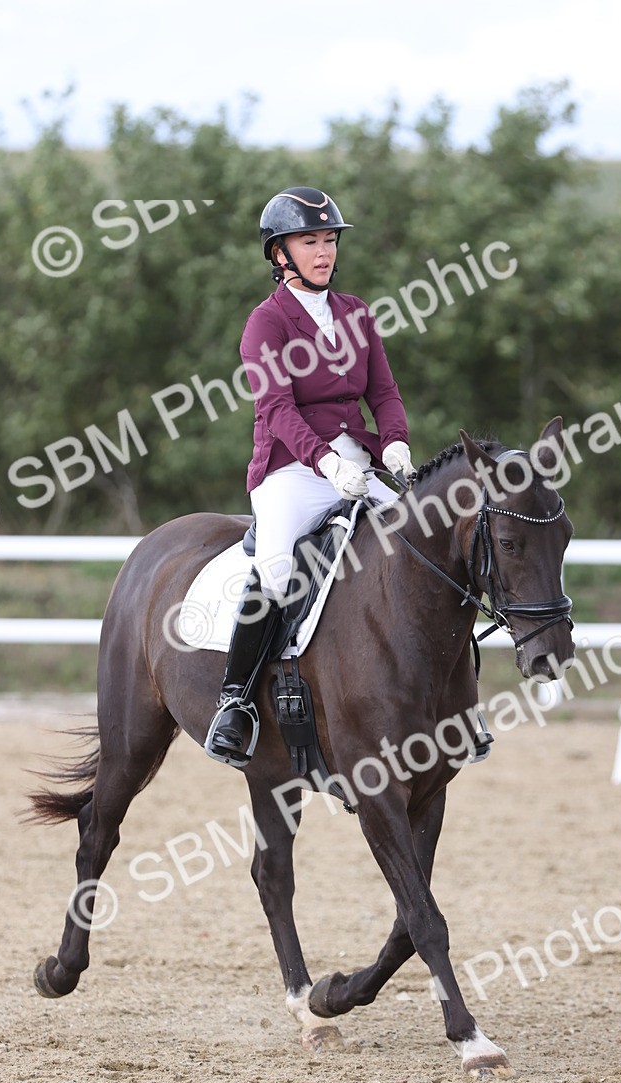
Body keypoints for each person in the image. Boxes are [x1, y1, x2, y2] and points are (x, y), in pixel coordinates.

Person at [208, 185, 414, 761]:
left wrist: (394, 444)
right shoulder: (266, 323)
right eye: (308, 241)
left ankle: (434, 694)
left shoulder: (356, 313)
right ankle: (237, 702)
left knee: (419, 546)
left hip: (358, 457)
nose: (322, 251)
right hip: (290, 470)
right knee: (276, 572)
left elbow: (384, 391)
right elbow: (276, 410)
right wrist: (325, 461)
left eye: (328, 240)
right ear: (281, 254)